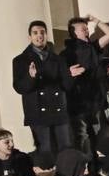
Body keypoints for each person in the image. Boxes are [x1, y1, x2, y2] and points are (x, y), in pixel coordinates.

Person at [12, 20, 71, 154]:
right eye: (35, 33)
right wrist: (31, 77)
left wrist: (70, 75)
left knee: (65, 151)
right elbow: (19, 88)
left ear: (46, 35)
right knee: (45, 152)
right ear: (30, 37)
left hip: (59, 112)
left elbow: (67, 86)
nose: (39, 36)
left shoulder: (58, 59)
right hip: (38, 113)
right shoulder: (20, 60)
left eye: (42, 32)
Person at [61, 14, 109, 154]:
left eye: (87, 28)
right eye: (82, 29)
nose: (86, 31)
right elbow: (61, 76)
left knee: (95, 135)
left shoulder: (92, 47)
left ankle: (94, 166)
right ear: (73, 33)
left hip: (95, 99)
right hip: (78, 102)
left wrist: (96, 21)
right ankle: (82, 166)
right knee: (82, 136)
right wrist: (69, 73)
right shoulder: (66, 53)